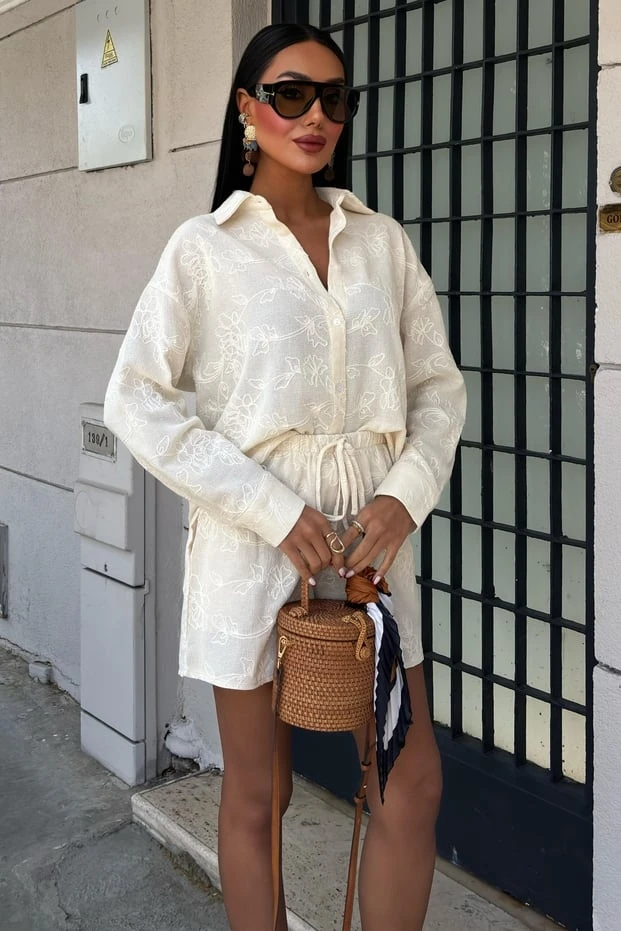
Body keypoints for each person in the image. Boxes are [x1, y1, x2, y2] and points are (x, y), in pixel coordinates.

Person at [104, 22, 466, 931]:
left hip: (373, 545)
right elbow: (135, 399)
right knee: (260, 792)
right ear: (247, 107)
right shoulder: (203, 247)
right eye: (291, 93)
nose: (314, 116)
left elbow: (437, 387)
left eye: (332, 98)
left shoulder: (379, 243)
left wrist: (403, 494)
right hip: (252, 543)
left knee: (410, 780)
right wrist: (269, 508)